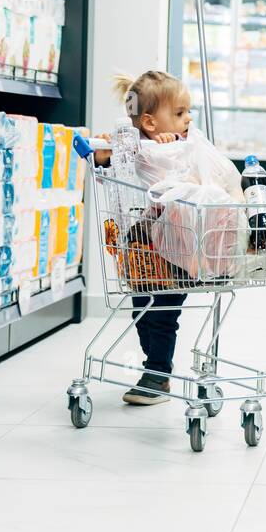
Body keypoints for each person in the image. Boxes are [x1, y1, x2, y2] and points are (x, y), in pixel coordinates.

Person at [103, 70, 193, 405]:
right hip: (143, 245)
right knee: (142, 311)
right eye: (179, 113)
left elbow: (191, 173)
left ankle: (157, 373)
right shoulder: (135, 148)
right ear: (151, 123)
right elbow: (113, 170)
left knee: (164, 313)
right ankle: (154, 368)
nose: (188, 120)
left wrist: (171, 149)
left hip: (179, 245)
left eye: (188, 112)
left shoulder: (184, 148)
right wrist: (104, 153)